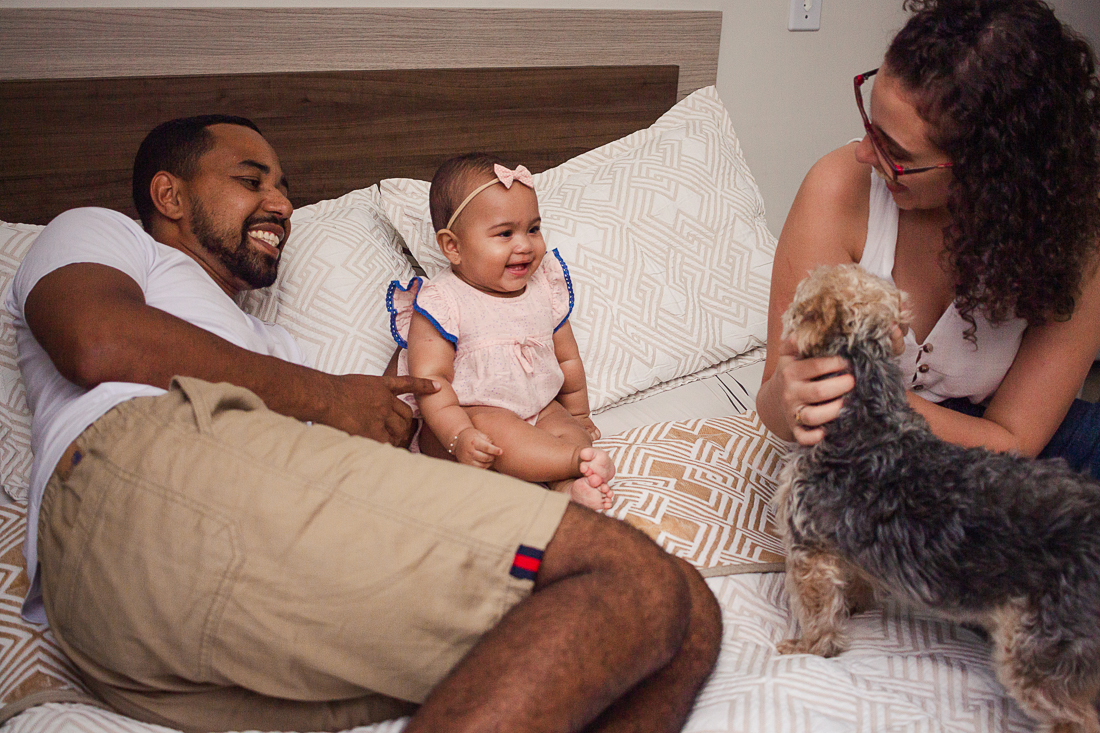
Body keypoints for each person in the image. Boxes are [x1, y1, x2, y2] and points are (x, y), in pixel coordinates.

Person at [7, 114, 722, 733]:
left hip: (235, 594)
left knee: (683, 615)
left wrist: (402, 409)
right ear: (169, 194)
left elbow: (354, 487)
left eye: (284, 187)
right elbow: (93, 337)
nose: (280, 203)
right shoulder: (102, 235)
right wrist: (324, 397)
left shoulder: (274, 349)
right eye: (252, 180)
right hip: (144, 486)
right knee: (635, 578)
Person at [756, 0, 1100, 478]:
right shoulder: (838, 190)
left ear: (990, 171)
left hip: (993, 450)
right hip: (856, 446)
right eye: (869, 124)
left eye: (895, 153)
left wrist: (868, 401)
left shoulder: (1074, 237)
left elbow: (1015, 439)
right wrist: (787, 397)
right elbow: (780, 405)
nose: (862, 153)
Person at [388, 154, 614, 511]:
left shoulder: (543, 287)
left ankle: (566, 487)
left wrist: (579, 414)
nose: (524, 245)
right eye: (505, 233)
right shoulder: (443, 302)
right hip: (469, 418)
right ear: (453, 246)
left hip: (538, 406)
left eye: (533, 229)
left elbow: (567, 358)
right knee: (502, 433)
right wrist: (458, 436)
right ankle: (574, 463)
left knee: (565, 429)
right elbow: (431, 382)